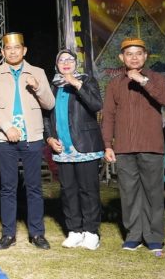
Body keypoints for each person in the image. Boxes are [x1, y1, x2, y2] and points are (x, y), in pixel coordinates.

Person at [0, 32, 55, 250]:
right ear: (3, 52)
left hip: (32, 135)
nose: (13, 52)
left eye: (17, 48)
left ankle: (37, 233)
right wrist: (7, 127)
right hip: (5, 137)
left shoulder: (37, 72)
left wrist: (38, 87)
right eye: (8, 48)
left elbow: (49, 103)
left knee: (34, 186)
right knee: (8, 187)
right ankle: (8, 234)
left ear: (24, 50)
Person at [102, 37, 165, 252]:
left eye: (138, 53)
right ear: (121, 57)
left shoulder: (157, 79)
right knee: (129, 193)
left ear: (145, 56)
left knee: (153, 193)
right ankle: (133, 235)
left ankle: (154, 237)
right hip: (124, 146)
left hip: (151, 145)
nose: (134, 58)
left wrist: (143, 81)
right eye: (129, 54)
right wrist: (108, 144)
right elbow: (109, 115)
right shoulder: (115, 83)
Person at [43, 49, 104, 250]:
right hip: (62, 149)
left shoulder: (87, 81)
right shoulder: (53, 86)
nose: (66, 62)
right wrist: (49, 137)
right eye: (62, 60)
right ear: (57, 65)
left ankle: (91, 232)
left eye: (70, 59)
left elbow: (96, 105)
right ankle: (75, 230)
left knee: (88, 190)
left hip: (85, 146)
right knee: (68, 191)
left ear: (76, 63)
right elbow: (46, 116)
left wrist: (77, 84)